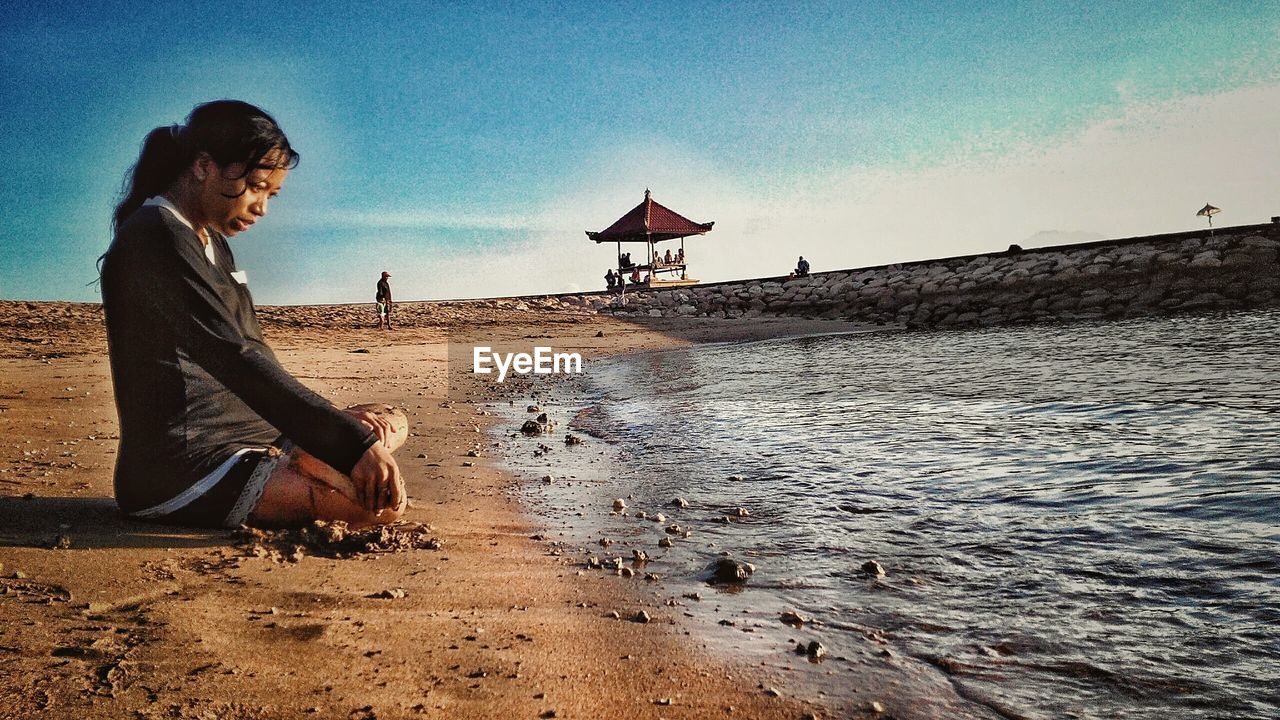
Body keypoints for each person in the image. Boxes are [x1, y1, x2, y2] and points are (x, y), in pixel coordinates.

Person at [99, 100, 406, 530]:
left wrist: (332, 425)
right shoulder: (155, 237)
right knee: (381, 506)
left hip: (259, 435)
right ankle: (310, 460)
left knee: (390, 416)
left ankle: (306, 455)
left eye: (271, 194)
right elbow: (236, 356)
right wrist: (348, 444)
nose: (262, 207)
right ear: (204, 165)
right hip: (186, 469)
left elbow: (254, 345)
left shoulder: (211, 240)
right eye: (257, 186)